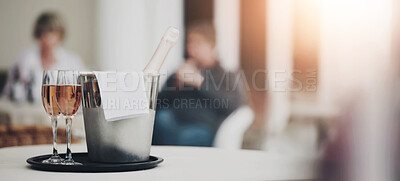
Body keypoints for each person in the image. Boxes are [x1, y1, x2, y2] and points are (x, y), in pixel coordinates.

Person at [152, 21, 246, 146]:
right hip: (174, 123)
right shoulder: (182, 71)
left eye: (198, 44)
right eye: (190, 43)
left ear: (212, 46)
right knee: (160, 119)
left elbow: (234, 104)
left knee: (180, 137)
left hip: (204, 128)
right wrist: (175, 84)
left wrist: (200, 83)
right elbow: (158, 102)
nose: (192, 49)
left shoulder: (225, 75)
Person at [2, 12, 86, 103]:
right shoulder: (24, 59)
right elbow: (8, 94)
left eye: (51, 32)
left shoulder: (72, 61)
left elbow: (84, 91)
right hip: (27, 114)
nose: (46, 37)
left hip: (61, 114)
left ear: (60, 35)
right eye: (42, 32)